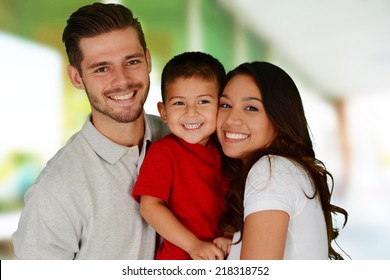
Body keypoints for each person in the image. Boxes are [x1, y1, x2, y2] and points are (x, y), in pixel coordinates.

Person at [12, 2, 169, 259]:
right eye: (102, 68)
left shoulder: (185, 138)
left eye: (131, 61)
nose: (122, 80)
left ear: (148, 60)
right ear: (76, 78)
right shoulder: (55, 194)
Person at [216, 61, 348, 260]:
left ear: (280, 118)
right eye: (225, 105)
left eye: (251, 108)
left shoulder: (271, 170)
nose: (231, 119)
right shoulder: (284, 170)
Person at [132, 51, 231, 260]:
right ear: (163, 112)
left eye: (203, 102)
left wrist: (230, 234)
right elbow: (150, 208)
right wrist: (193, 245)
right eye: (179, 103)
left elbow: (236, 201)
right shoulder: (163, 152)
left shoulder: (228, 151)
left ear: (221, 107)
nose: (191, 112)